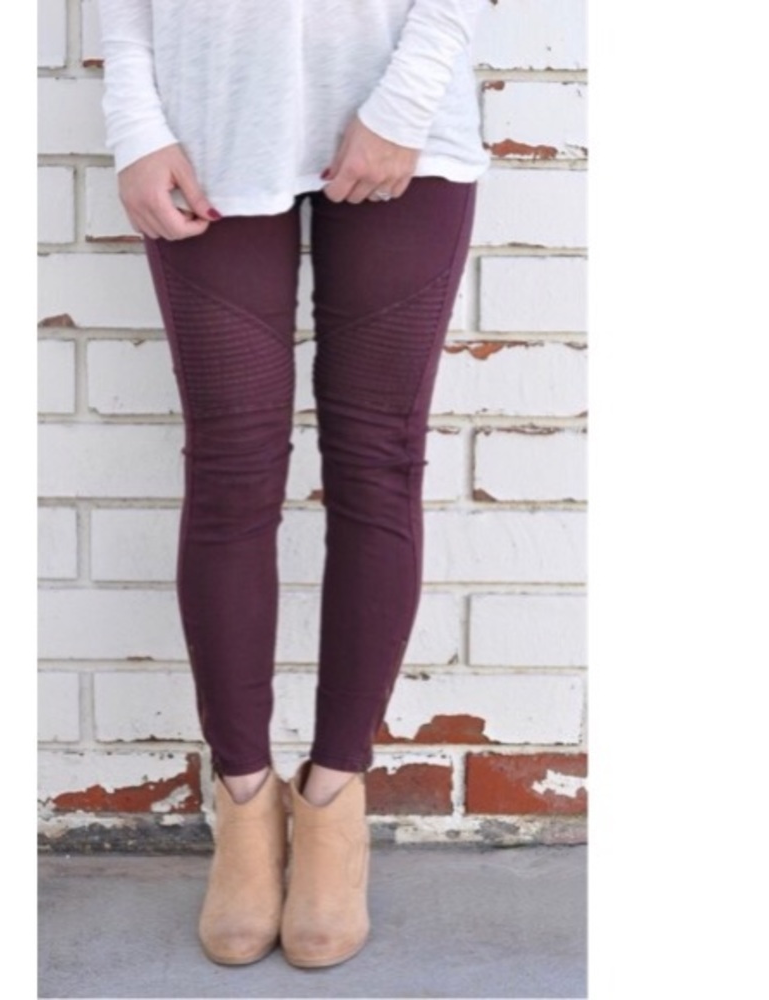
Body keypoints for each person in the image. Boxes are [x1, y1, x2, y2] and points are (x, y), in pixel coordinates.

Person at [97, 0, 491, 970]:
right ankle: (242, 804)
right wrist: (135, 125)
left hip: (404, 112)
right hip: (205, 123)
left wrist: (405, 101)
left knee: (377, 463)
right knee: (230, 471)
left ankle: (331, 801)